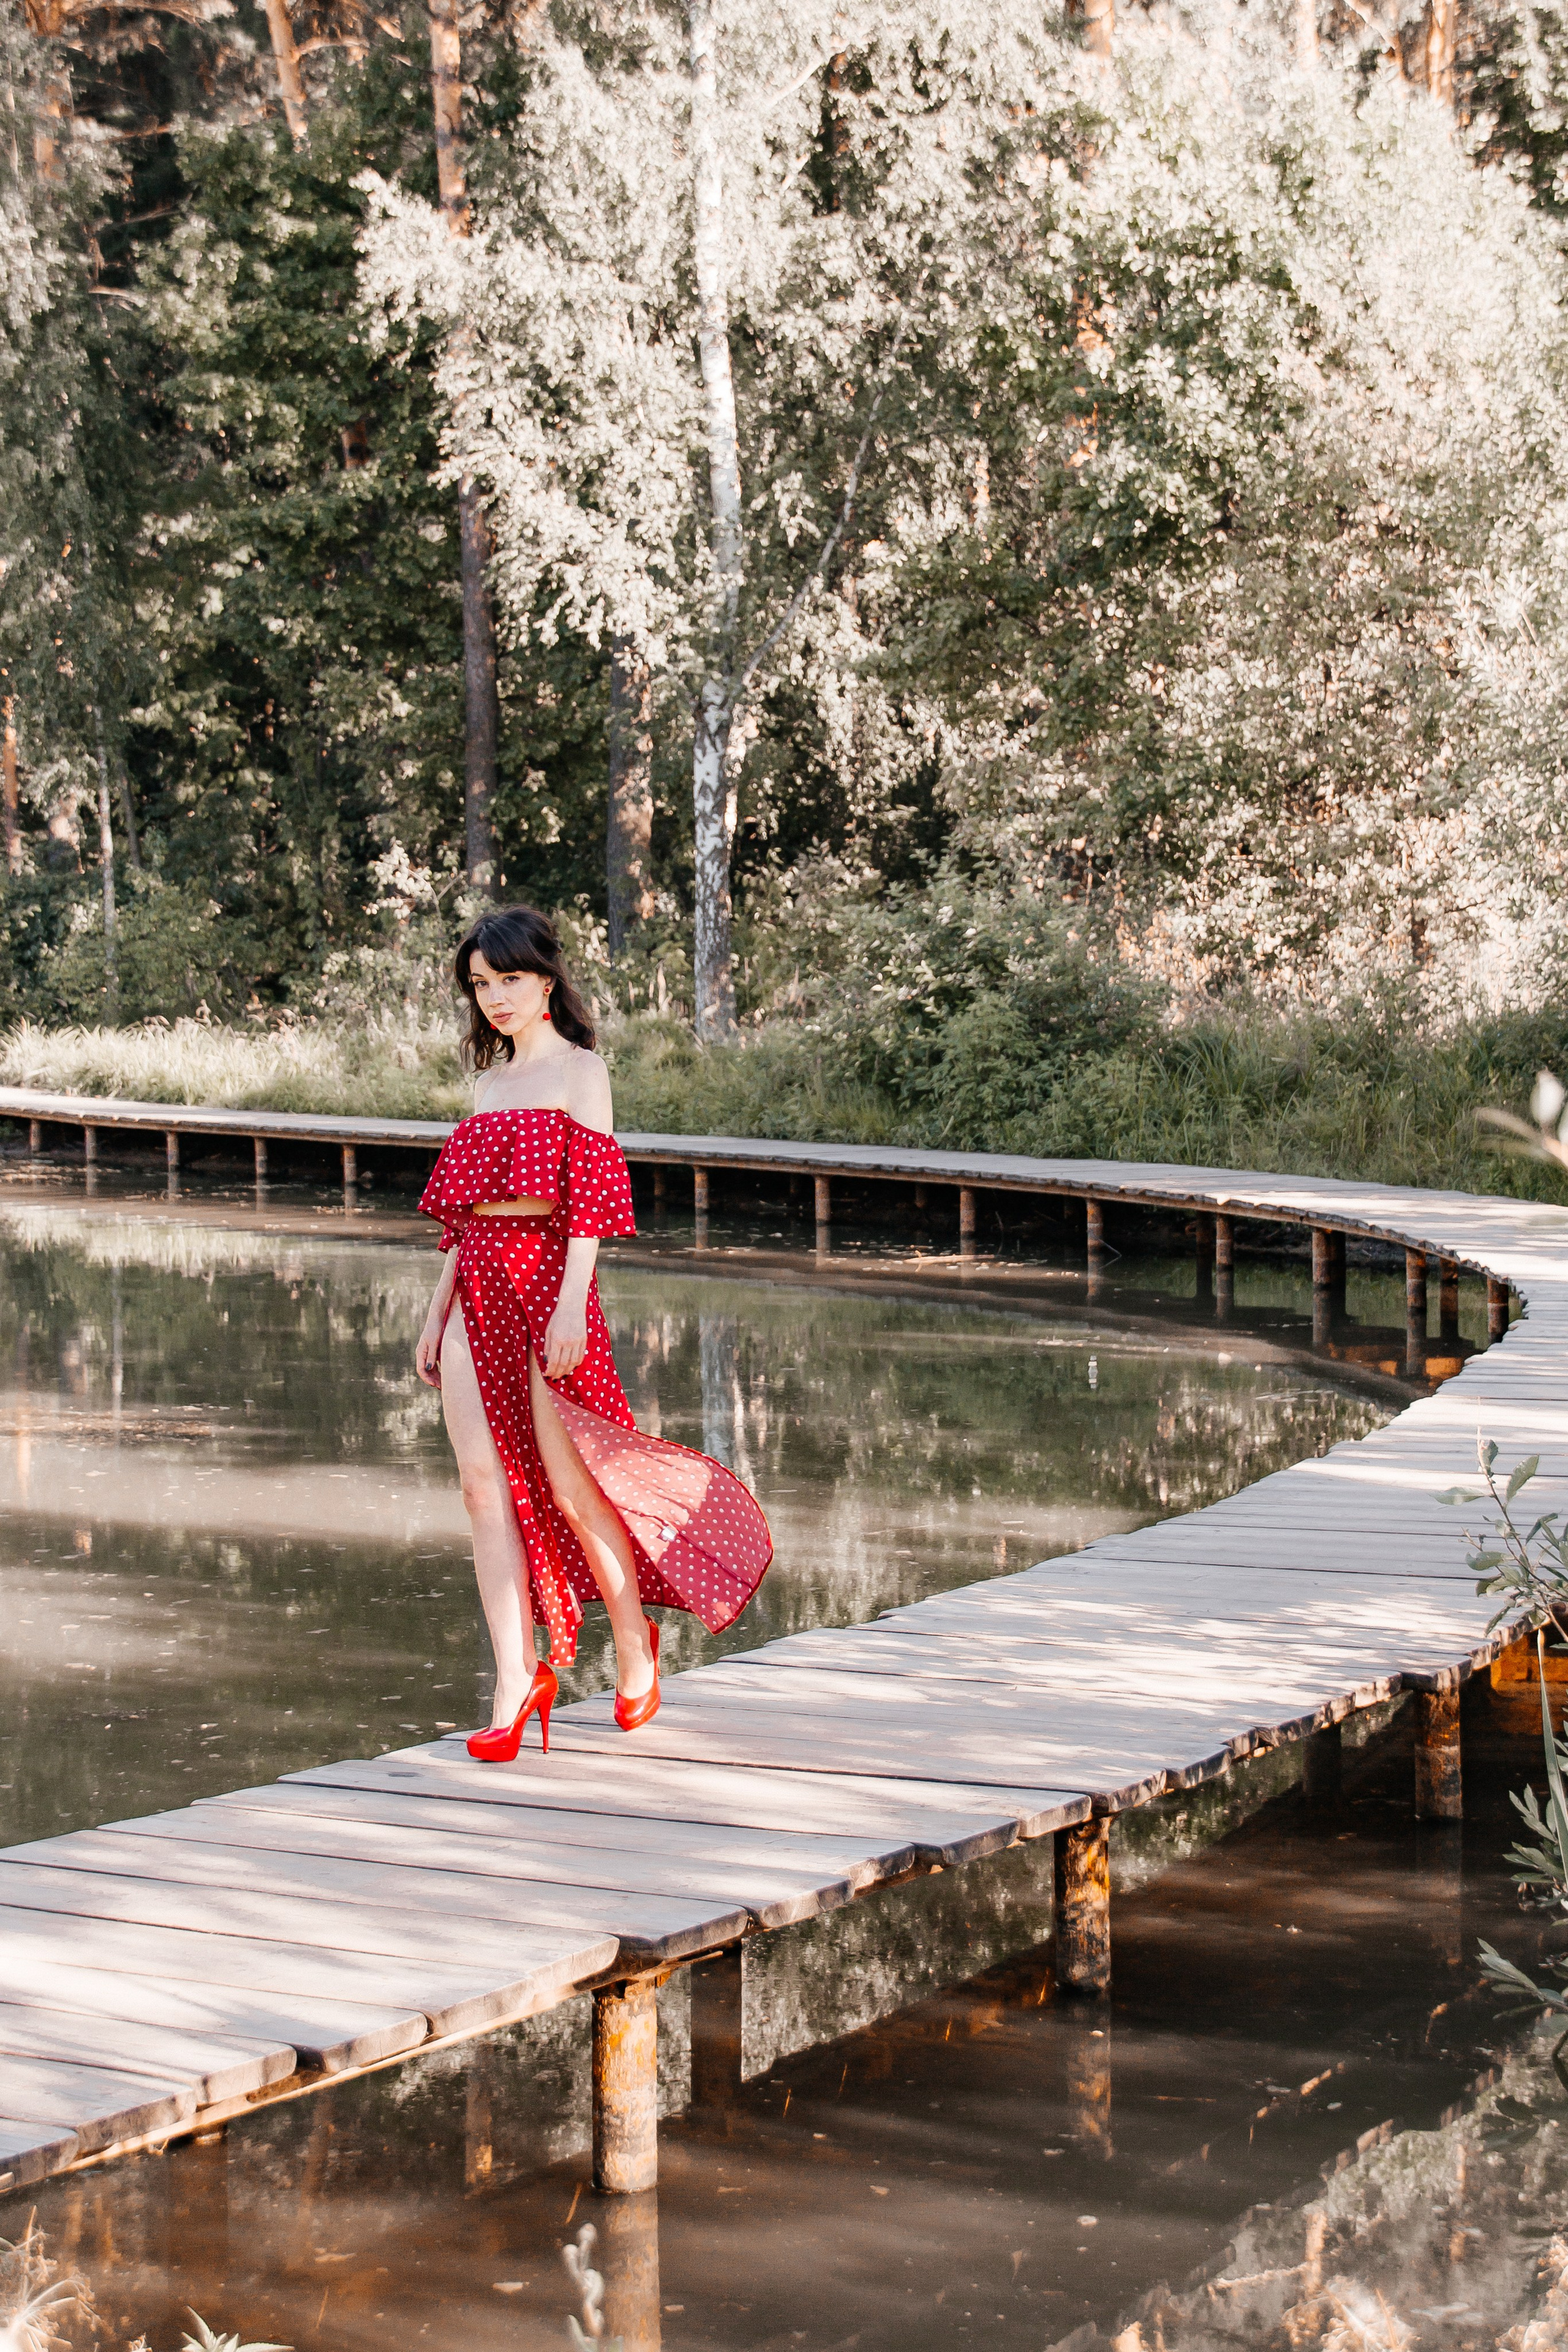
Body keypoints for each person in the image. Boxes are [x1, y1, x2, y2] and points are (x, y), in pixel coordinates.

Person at [415, 904, 772, 1761]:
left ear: (545, 978)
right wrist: (436, 1310)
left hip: (547, 1282)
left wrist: (573, 1299)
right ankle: (514, 1680)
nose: (495, 998)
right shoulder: (489, 1086)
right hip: (475, 1288)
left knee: (576, 1489)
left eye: (508, 980)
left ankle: (635, 1641)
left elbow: (591, 1204)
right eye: (480, 986)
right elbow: (465, 1220)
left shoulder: (582, 1071)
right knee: (478, 1488)